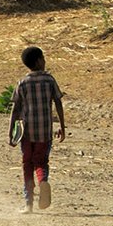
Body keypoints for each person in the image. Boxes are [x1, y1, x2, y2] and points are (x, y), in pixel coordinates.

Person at [8, 46, 66, 213]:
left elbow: (16, 108)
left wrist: (11, 131)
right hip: (45, 132)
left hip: (26, 132)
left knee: (27, 164)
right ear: (40, 61)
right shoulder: (49, 80)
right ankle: (42, 182)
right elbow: (58, 102)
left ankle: (28, 203)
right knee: (41, 162)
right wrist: (62, 126)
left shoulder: (22, 83)